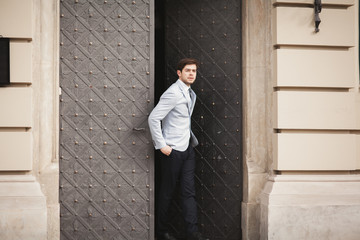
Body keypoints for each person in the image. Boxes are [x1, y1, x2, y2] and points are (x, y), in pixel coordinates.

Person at [148, 58, 209, 240]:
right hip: (172, 151)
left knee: (189, 192)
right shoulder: (173, 93)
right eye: (188, 70)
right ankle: (161, 232)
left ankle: (192, 233)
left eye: (194, 71)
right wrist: (162, 145)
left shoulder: (190, 93)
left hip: (187, 148)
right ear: (179, 73)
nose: (191, 74)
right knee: (167, 192)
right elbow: (153, 118)